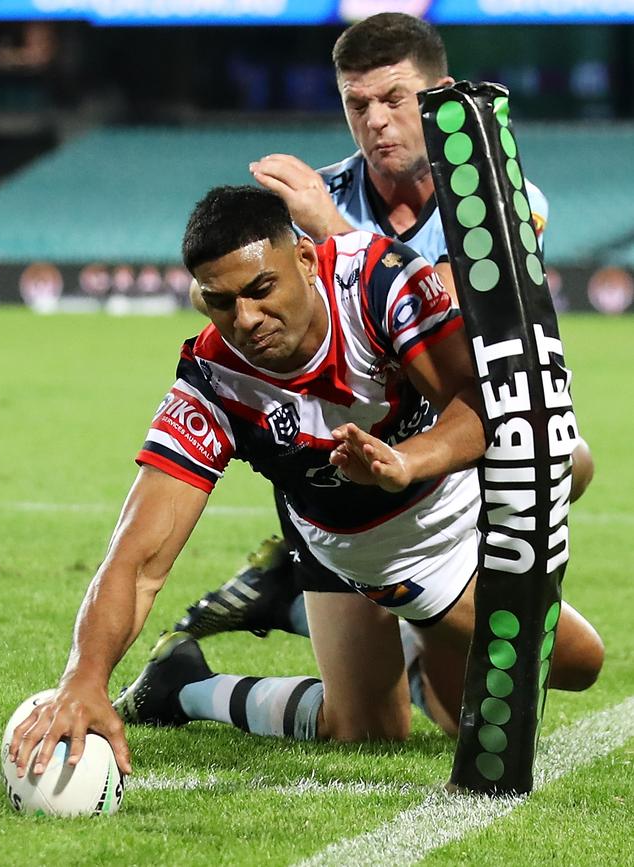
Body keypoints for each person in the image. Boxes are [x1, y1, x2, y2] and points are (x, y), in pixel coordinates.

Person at [10, 185, 603, 777]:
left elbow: (479, 401)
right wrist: (82, 680)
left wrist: (408, 462)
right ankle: (184, 685)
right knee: (391, 725)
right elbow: (137, 561)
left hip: (448, 479)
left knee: (569, 461)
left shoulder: (378, 279)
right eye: (221, 302)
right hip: (380, 548)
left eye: (260, 290)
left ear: (304, 257)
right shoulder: (214, 384)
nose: (246, 319)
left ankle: (294, 602)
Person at [160, 12, 596, 727]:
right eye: (357, 105)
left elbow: (447, 314)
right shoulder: (305, 206)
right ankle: (184, 684)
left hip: (444, 458)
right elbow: (217, 293)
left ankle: (317, 606)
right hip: (341, 484)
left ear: (441, 98)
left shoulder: (500, 202)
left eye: (396, 99)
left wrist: (332, 231)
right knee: (367, 730)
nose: (377, 122)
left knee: (565, 459)